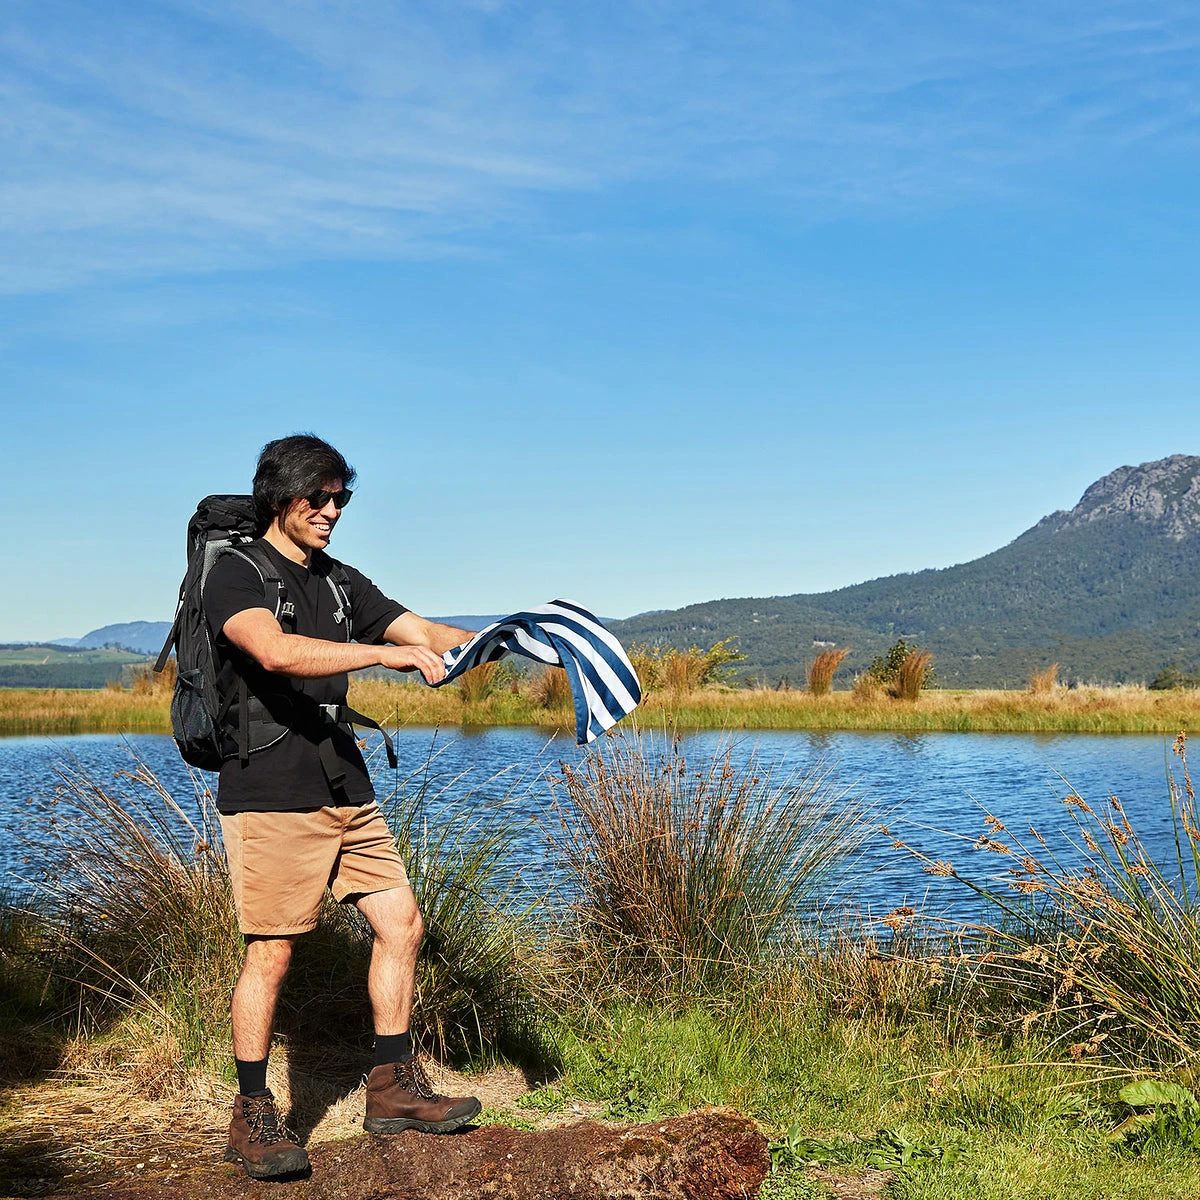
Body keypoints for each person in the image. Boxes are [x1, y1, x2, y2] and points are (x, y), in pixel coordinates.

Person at [203, 433, 481, 1180]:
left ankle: (391, 1087)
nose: (331, 511)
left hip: (343, 785)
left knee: (401, 923)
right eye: (318, 498)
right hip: (270, 789)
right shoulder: (235, 573)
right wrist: (382, 656)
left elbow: (425, 633)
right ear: (279, 498)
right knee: (272, 951)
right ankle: (252, 1113)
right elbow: (276, 652)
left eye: (340, 498)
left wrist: (511, 639)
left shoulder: (339, 581)